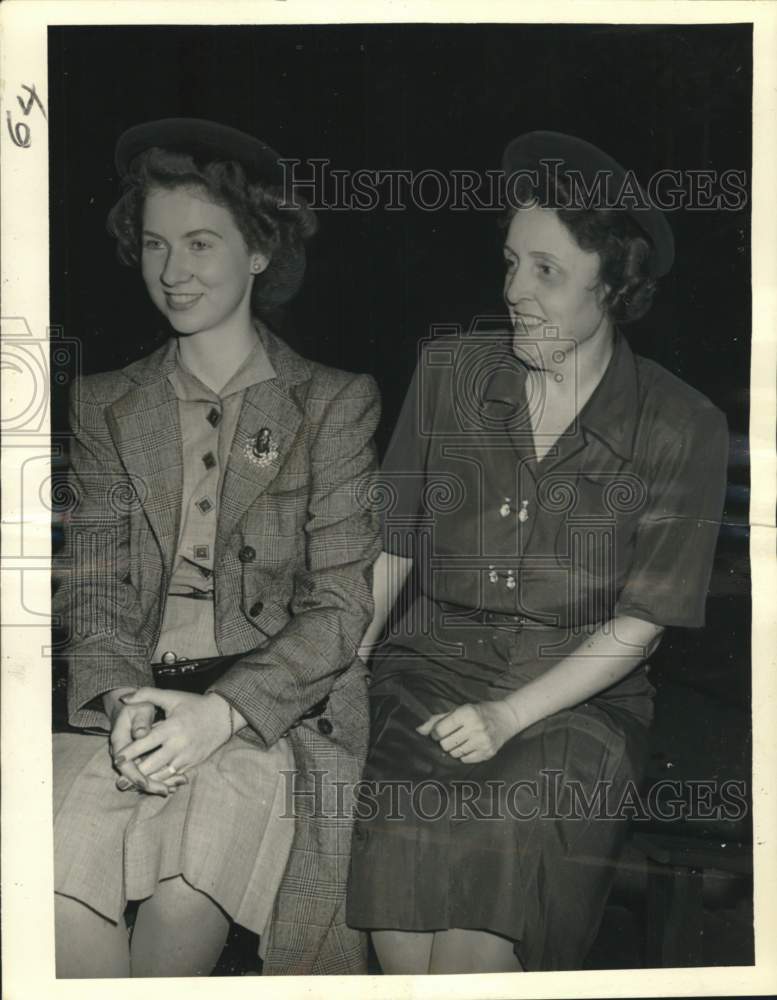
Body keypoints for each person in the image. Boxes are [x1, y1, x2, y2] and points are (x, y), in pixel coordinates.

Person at [346, 131, 729, 973]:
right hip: (426, 673)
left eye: (546, 271)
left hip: (577, 703)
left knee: (503, 836)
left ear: (613, 284)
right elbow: (393, 547)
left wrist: (509, 716)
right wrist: (345, 664)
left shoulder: (679, 425)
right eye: (511, 262)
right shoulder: (450, 374)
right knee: (403, 905)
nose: (514, 289)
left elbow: (643, 625)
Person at [52, 118, 381, 977]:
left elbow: (340, 610)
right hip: (136, 695)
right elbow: (96, 590)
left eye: (201, 242)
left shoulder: (333, 403)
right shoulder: (106, 404)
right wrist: (122, 698)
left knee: (189, 880)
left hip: (275, 710)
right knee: (53, 867)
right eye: (156, 244)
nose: (172, 271)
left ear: (260, 252)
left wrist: (224, 713)